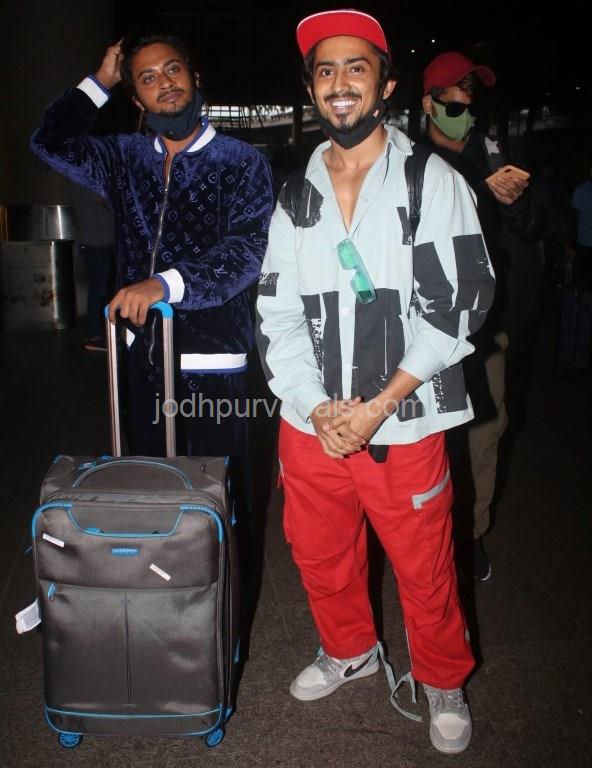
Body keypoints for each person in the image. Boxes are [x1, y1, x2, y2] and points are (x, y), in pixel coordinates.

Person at [256, 9, 495, 755]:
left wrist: (378, 407)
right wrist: (314, 407)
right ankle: (350, 649)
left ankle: (442, 678)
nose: (339, 83)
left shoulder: (432, 180)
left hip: (407, 417)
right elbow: (276, 311)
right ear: (311, 89)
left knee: (425, 563)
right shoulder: (295, 195)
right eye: (325, 70)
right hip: (313, 423)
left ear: (385, 84)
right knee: (318, 551)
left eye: (355, 67)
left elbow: (458, 306)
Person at [31, 32, 273, 460]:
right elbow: (49, 142)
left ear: (195, 78)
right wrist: (101, 81)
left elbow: (247, 252)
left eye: (173, 69)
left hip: (210, 362)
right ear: (137, 101)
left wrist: (164, 284)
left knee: (217, 489)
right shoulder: (124, 157)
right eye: (148, 78)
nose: (164, 82)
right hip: (139, 356)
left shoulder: (241, 161)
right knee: (149, 482)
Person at [420, 51, 542, 580]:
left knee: (486, 429)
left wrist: (513, 202)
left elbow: (532, 229)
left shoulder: (494, 154)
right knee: (424, 434)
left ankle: (469, 535)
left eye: (471, 106)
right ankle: (422, 534)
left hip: (485, 324)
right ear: (429, 105)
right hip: (423, 323)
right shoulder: (405, 157)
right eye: (454, 106)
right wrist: (476, 193)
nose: (464, 116)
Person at [70, 184, 116, 351]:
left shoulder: (81, 180)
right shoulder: (90, 181)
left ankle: (97, 333)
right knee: (99, 290)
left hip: (94, 241)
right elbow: (107, 202)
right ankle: (94, 335)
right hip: (97, 242)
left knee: (99, 289)